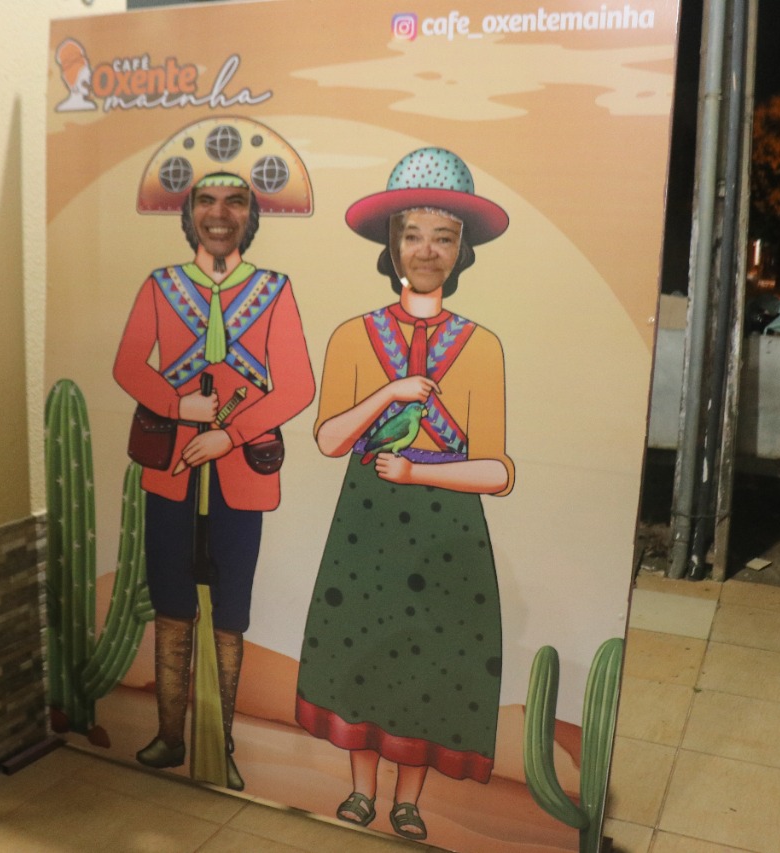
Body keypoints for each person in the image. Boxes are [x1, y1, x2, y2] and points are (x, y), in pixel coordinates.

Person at [294, 148, 514, 842]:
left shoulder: (480, 346)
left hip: (446, 525)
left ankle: (408, 801)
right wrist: (388, 392)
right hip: (368, 523)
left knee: (428, 655)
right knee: (365, 644)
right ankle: (362, 791)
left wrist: (419, 473)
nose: (426, 251)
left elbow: (497, 470)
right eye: (412, 235)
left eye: (443, 238)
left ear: (461, 251)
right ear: (391, 246)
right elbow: (330, 439)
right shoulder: (354, 336)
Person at [114, 171, 314, 790]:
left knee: (231, 612)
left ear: (250, 217)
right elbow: (128, 365)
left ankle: (218, 742)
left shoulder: (273, 291)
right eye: (206, 201)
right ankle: (171, 737)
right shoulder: (162, 286)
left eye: (235, 202)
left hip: (241, 475)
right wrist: (179, 406)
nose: (219, 213)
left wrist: (230, 433)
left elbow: (297, 386)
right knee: (172, 604)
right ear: (189, 214)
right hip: (172, 474)